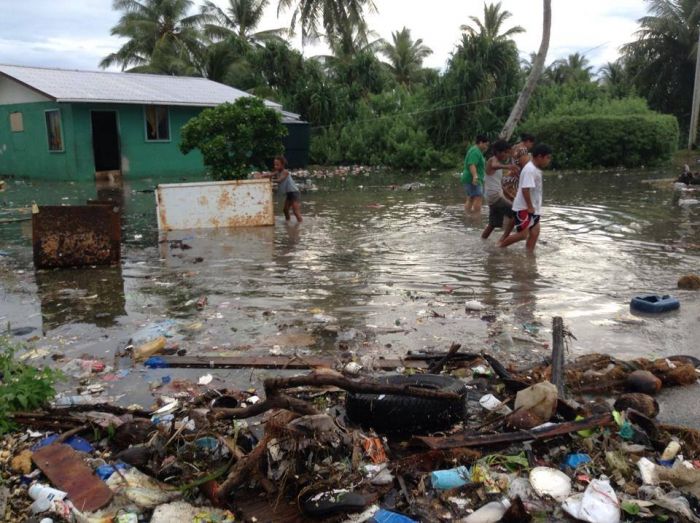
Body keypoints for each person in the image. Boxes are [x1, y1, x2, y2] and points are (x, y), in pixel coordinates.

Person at [499, 144, 553, 251]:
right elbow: (525, 189)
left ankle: (529, 258)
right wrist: (530, 207)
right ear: (539, 157)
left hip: (533, 208)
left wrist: (534, 208)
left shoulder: (535, 169)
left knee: (535, 233)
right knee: (523, 235)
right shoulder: (530, 169)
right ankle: (499, 248)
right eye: (548, 157)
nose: (549, 160)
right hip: (524, 208)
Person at [481, 140, 519, 240]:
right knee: (517, 214)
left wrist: (510, 195)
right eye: (505, 152)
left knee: (493, 224)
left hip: (493, 196)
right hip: (495, 196)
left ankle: (482, 240)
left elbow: (499, 184)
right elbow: (493, 166)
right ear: (498, 152)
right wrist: (508, 166)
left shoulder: (498, 164)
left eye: (507, 152)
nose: (506, 155)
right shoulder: (492, 160)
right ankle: (503, 240)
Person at [261, 156, 302, 223]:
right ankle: (288, 222)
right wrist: (262, 176)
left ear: (282, 165)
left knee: (296, 212)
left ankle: (300, 224)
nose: (275, 166)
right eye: (275, 165)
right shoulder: (277, 172)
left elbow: (280, 180)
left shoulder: (285, 172)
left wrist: (271, 181)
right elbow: (270, 174)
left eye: (277, 165)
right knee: (285, 210)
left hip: (294, 193)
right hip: (289, 194)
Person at [462, 135, 489, 213]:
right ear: (480, 143)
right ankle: (476, 217)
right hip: (473, 178)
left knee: (471, 197)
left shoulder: (475, 150)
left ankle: (468, 216)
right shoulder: (475, 151)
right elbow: (472, 164)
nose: (486, 147)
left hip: (470, 178)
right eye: (485, 144)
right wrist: (475, 176)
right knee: (478, 197)